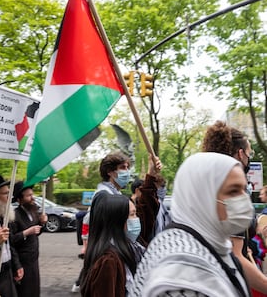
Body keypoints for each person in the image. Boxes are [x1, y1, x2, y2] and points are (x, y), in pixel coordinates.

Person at [130, 152, 252, 296]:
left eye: (243, 190)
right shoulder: (182, 276)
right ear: (202, 197)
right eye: (233, 191)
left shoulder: (213, 245)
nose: (243, 199)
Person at [202, 120, 267, 293]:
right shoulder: (231, 189)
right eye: (249, 153)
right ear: (240, 154)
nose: (249, 158)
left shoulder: (208, 182)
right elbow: (235, 256)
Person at [81, 191, 146, 296]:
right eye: (132, 215)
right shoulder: (108, 261)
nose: (136, 219)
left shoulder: (131, 247)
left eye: (136, 213)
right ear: (117, 221)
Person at [11, 181, 48, 297]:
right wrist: (27, 232)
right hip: (22, 261)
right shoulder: (14, 215)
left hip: (34, 259)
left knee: (34, 291)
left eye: (32, 194)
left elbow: (37, 232)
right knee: (25, 292)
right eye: (28, 196)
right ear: (19, 199)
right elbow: (11, 240)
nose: (32, 198)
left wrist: (43, 223)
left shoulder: (33, 211)